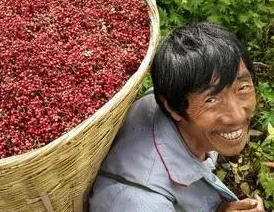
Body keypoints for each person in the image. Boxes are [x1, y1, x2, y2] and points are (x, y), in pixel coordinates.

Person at [89, 22, 265, 212]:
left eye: (243, 87)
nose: (237, 115)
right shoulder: (142, 203)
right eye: (211, 99)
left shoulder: (168, 96)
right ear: (172, 107)